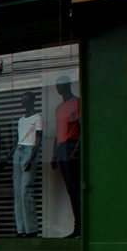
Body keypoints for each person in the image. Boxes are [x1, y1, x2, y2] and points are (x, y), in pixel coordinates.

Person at [50, 76, 81, 238]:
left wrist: (76, 150)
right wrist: (54, 154)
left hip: (72, 147)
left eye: (60, 85)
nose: (58, 88)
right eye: (56, 85)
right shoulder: (58, 108)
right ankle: (77, 226)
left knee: (76, 189)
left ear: (68, 85)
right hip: (61, 148)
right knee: (70, 189)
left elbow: (82, 128)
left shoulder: (77, 103)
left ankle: (81, 227)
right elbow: (58, 132)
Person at [12, 92, 44, 238]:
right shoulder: (20, 120)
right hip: (18, 151)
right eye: (21, 99)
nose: (22, 102)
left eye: (25, 100)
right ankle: (21, 229)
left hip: (29, 150)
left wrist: (31, 157)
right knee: (18, 192)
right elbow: (19, 138)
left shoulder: (38, 117)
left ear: (31, 101)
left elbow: (38, 139)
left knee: (26, 191)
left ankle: (31, 229)